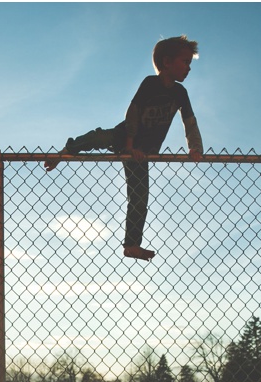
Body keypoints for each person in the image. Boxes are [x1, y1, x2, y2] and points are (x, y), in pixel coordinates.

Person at [44, 35, 204, 261]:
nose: (188, 68)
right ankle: (63, 152)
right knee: (97, 138)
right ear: (167, 62)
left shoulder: (180, 93)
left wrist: (195, 148)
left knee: (139, 197)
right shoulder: (150, 83)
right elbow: (133, 112)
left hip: (143, 152)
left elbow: (190, 122)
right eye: (185, 62)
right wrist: (129, 146)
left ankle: (131, 245)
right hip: (125, 137)